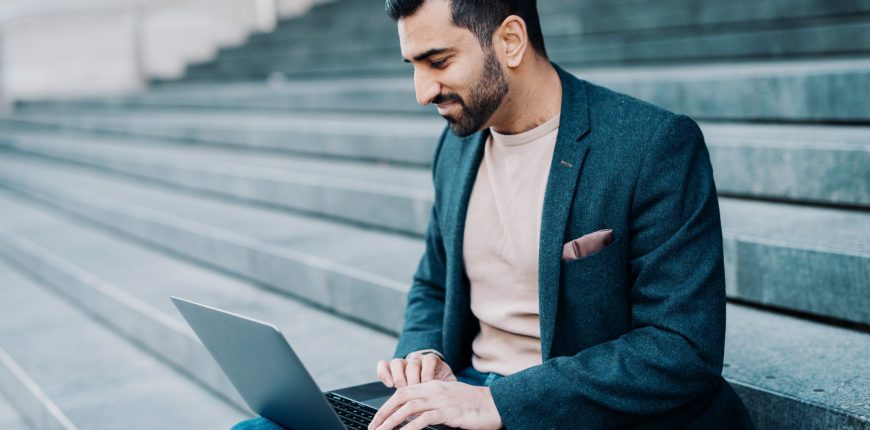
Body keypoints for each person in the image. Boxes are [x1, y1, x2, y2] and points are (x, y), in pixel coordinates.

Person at [234, 0, 755, 429]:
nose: (422, 92)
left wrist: (499, 403)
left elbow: (681, 349)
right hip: (464, 393)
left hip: (562, 408)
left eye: (438, 62)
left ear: (510, 40)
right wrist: (423, 357)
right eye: (413, 66)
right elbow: (433, 283)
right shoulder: (456, 145)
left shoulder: (651, 145)